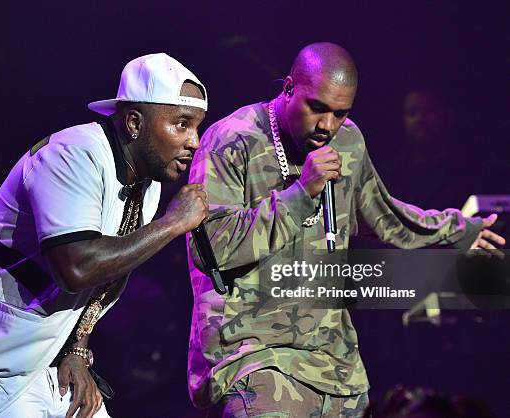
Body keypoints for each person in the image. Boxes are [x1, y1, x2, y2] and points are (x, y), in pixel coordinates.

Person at [186, 43, 505, 417]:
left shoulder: (347, 141)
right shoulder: (232, 139)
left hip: (333, 364)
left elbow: (382, 214)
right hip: (253, 355)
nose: (327, 126)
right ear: (288, 88)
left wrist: (456, 230)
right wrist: (301, 194)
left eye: (340, 113)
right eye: (317, 108)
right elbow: (213, 249)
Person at [0, 53, 209, 418]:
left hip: (29, 356)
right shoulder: (73, 154)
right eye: (182, 124)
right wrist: (172, 224)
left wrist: (77, 349)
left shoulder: (147, 184)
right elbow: (77, 267)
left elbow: (106, 277)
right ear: (133, 122)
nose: (194, 141)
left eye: (197, 126)